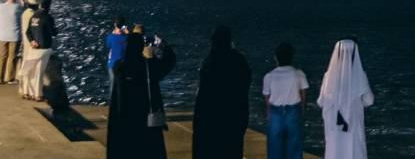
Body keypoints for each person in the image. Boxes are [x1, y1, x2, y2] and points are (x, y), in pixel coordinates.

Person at [107, 31, 177, 159]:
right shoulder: (148, 66)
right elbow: (169, 61)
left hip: (124, 120)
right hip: (145, 118)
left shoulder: (119, 67)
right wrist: (162, 45)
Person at [191, 24, 252, 159]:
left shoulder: (209, 62)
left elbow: (202, 96)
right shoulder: (239, 61)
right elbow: (245, 86)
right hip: (233, 118)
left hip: (210, 120)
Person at [317, 39, 373, 159]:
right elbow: (369, 100)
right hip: (354, 125)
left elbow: (321, 101)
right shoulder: (360, 75)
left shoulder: (328, 76)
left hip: (334, 126)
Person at [263, 41, 309, 159]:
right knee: (294, 147)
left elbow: (267, 99)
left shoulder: (269, 76)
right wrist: (301, 112)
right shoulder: (299, 74)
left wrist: (269, 115)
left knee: (274, 147)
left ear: (276, 58)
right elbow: (303, 96)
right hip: (293, 111)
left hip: (275, 112)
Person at [20, 0, 57, 101]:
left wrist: (32, 41)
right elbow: (53, 32)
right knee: (39, 72)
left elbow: (28, 31)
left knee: (28, 70)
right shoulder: (48, 17)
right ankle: (37, 94)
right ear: (49, 5)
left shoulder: (34, 16)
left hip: (33, 47)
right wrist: (55, 30)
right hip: (44, 48)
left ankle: (26, 92)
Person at [0, 0, 22, 84]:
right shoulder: (18, 7)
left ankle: (0, 78)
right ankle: (10, 78)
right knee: (12, 57)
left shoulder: (0, 7)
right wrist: (22, 2)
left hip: (2, 36)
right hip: (14, 36)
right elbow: (23, 14)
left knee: (2, 57)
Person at [106, 16, 129, 96]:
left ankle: (112, 105)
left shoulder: (110, 37)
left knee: (112, 86)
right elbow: (131, 44)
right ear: (123, 26)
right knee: (122, 86)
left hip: (111, 64)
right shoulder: (125, 38)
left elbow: (108, 46)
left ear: (115, 24)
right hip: (121, 65)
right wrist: (127, 32)